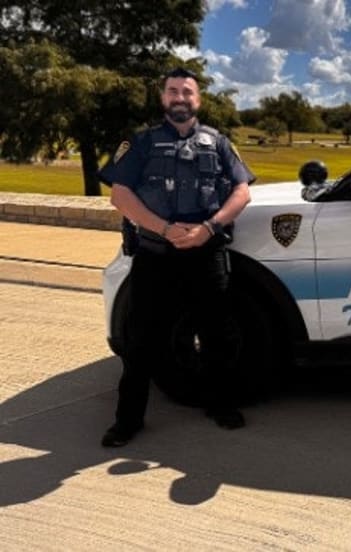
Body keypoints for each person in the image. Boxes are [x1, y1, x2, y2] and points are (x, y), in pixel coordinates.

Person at [97, 67, 255, 447]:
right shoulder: (141, 143)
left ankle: (221, 405)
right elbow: (120, 195)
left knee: (217, 336)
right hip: (156, 257)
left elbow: (242, 192)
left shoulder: (218, 143)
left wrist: (210, 228)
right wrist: (166, 229)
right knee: (141, 342)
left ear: (198, 99)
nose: (180, 97)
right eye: (173, 91)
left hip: (206, 254)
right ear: (163, 98)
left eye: (187, 91)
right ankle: (128, 420)